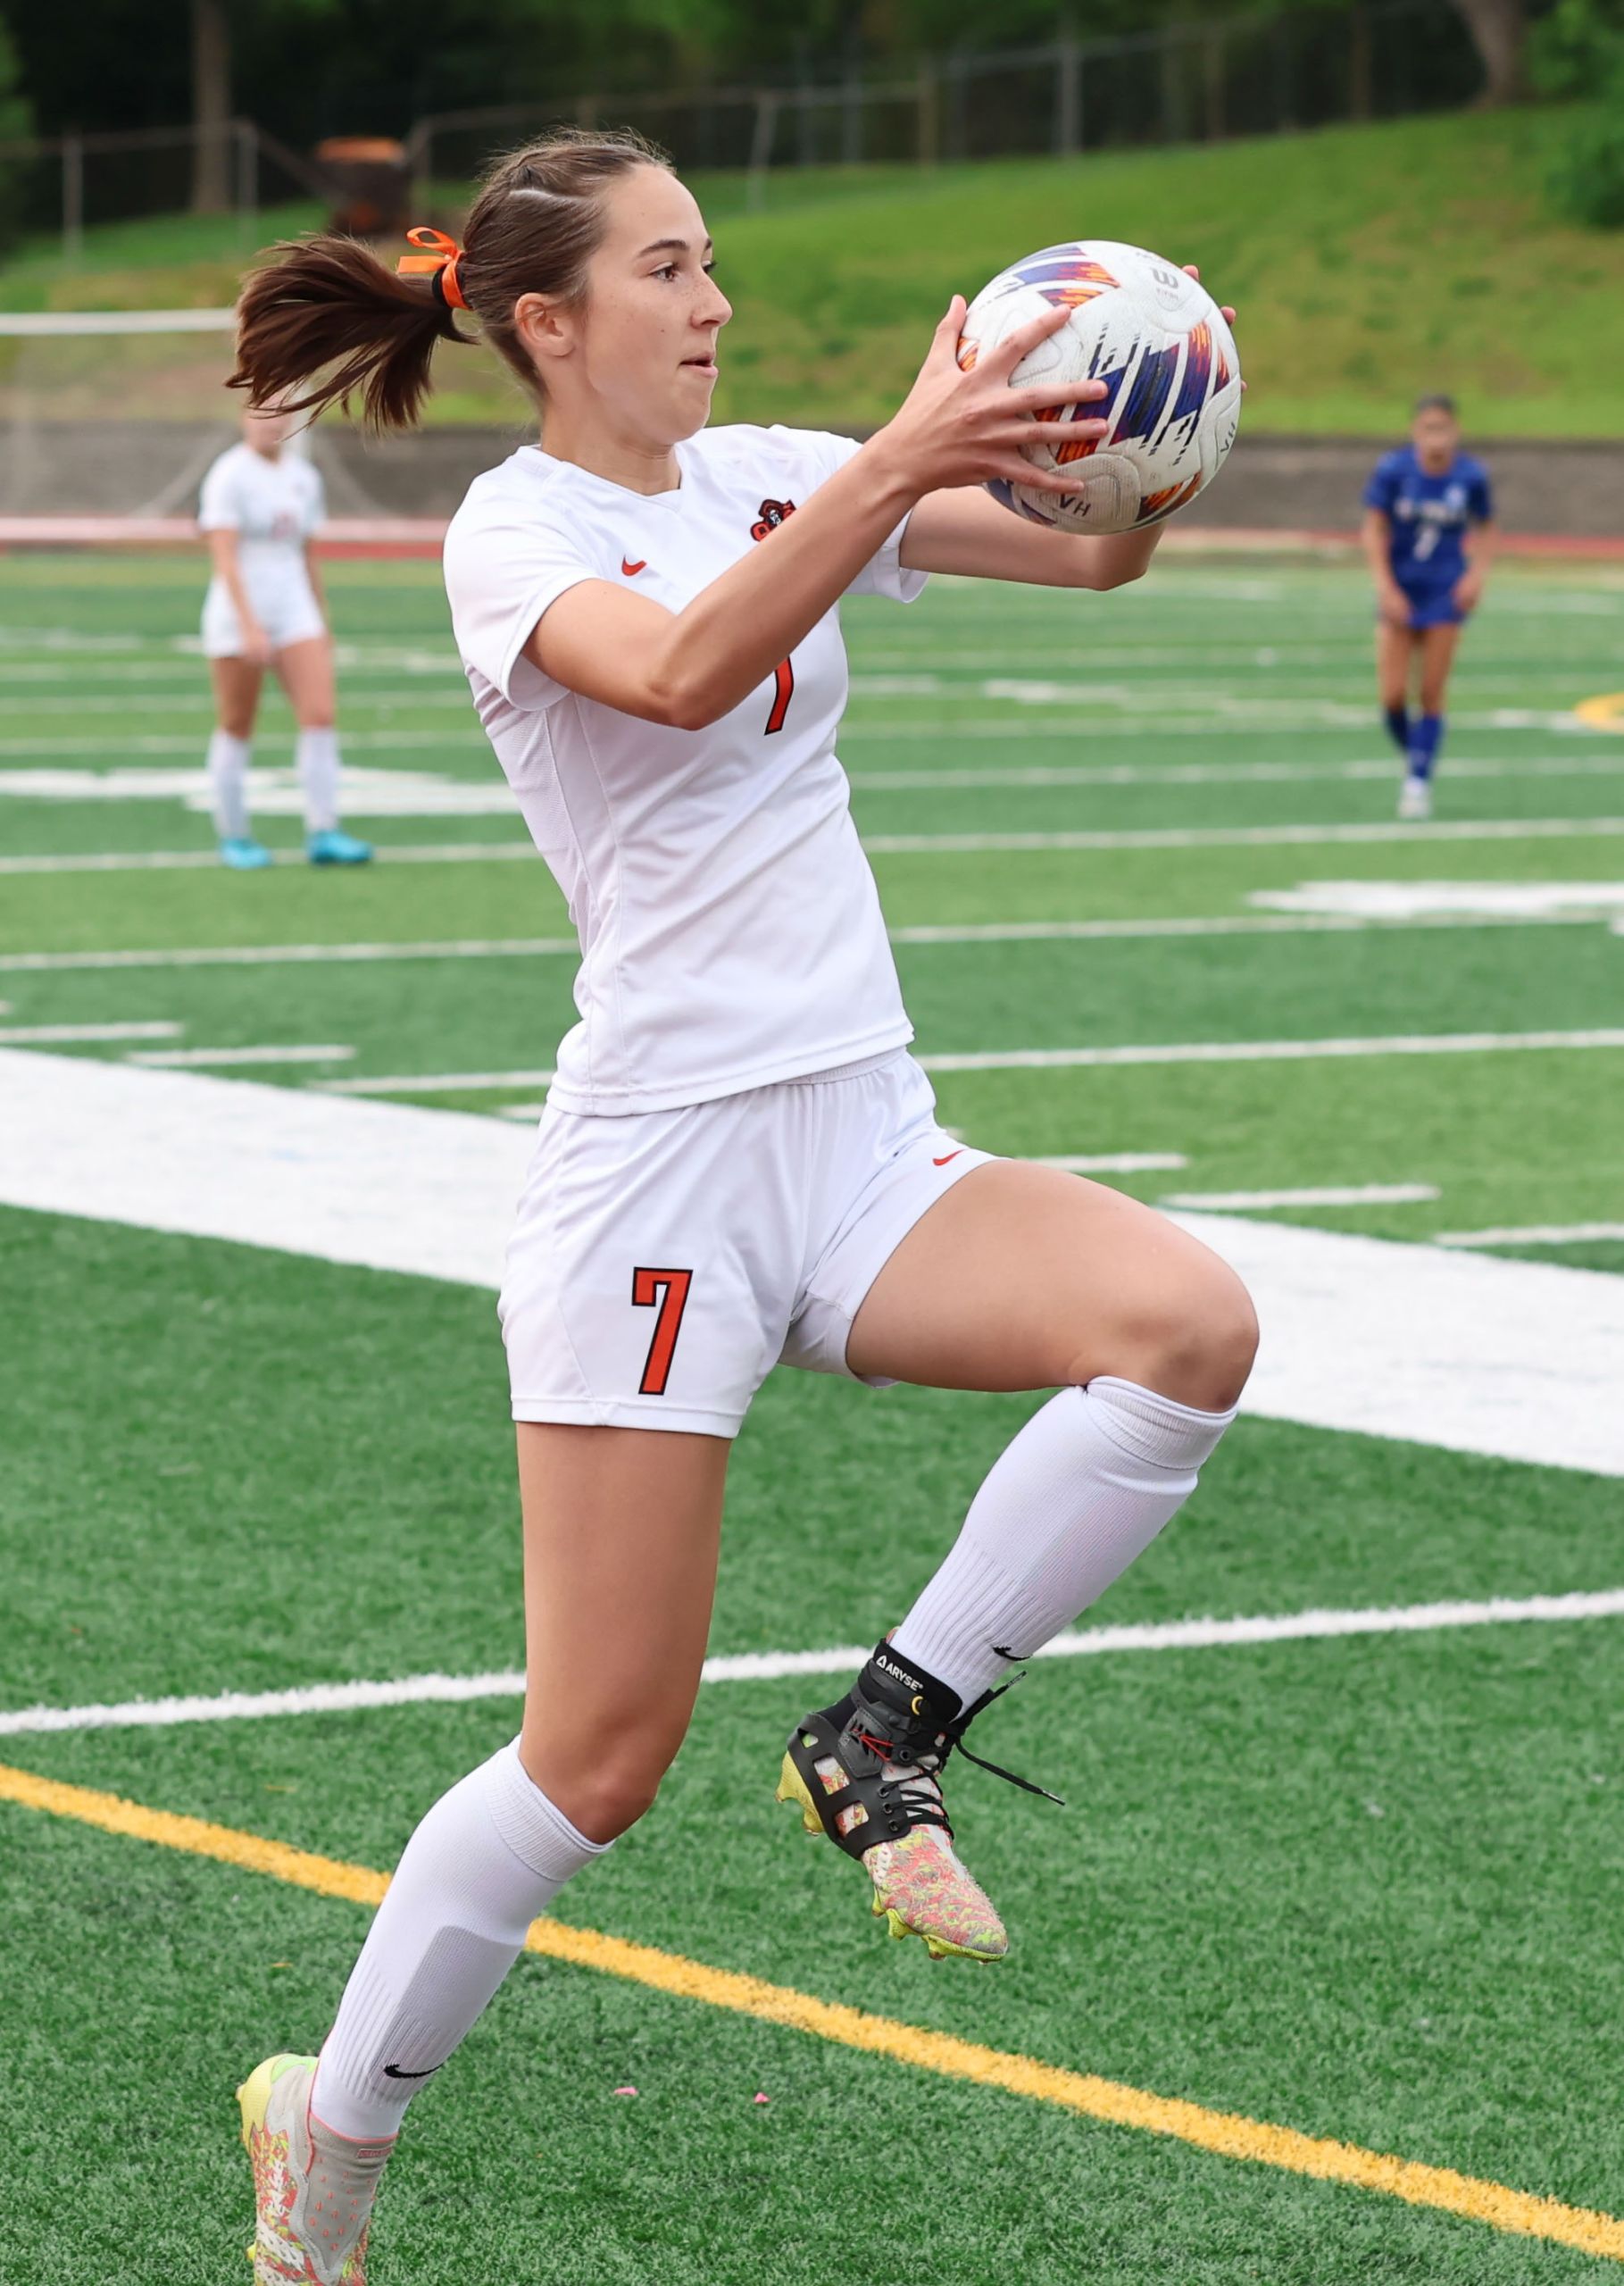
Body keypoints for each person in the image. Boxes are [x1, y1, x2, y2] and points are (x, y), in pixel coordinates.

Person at [226, 129, 1258, 2284]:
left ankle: (889, 1722)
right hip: (661, 1176)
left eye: (711, 262)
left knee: (1182, 1326)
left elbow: (1084, 566)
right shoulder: (515, 532)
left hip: (861, 1131)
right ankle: (329, 2133)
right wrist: (889, 460)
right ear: (546, 319)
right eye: (667, 268)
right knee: (596, 1756)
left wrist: (1141, 430)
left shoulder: (780, 467)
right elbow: (683, 669)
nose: (712, 303)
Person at [198, 403, 373, 867]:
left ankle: (324, 830)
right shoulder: (229, 475)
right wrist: (249, 625)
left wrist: (320, 617)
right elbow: (225, 557)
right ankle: (234, 835)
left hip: (295, 610)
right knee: (237, 721)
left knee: (320, 715)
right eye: (261, 413)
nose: (271, 423)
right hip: (238, 615)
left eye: (279, 413)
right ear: (243, 417)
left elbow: (307, 553)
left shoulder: (304, 477)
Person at [1361, 395, 1495, 822]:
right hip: (1401, 590)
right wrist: (1385, 587)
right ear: (1415, 431)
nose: (1436, 437)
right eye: (1428, 428)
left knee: (1431, 692)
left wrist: (1475, 576)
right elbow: (1373, 529)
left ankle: (1418, 781)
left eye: (1443, 428)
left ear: (1456, 431)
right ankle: (1418, 755)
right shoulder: (1394, 470)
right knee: (1392, 696)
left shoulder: (1471, 475)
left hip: (1444, 592)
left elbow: (1487, 526)